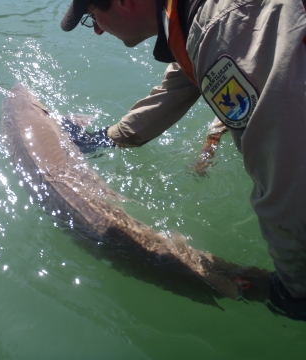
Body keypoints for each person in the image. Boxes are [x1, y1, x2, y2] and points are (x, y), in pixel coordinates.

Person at [60, 0, 306, 319]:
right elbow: (175, 88)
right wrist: (104, 138)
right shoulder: (194, 17)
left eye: (93, 16)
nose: (96, 30)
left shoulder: (218, 34)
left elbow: (287, 175)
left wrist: (294, 289)